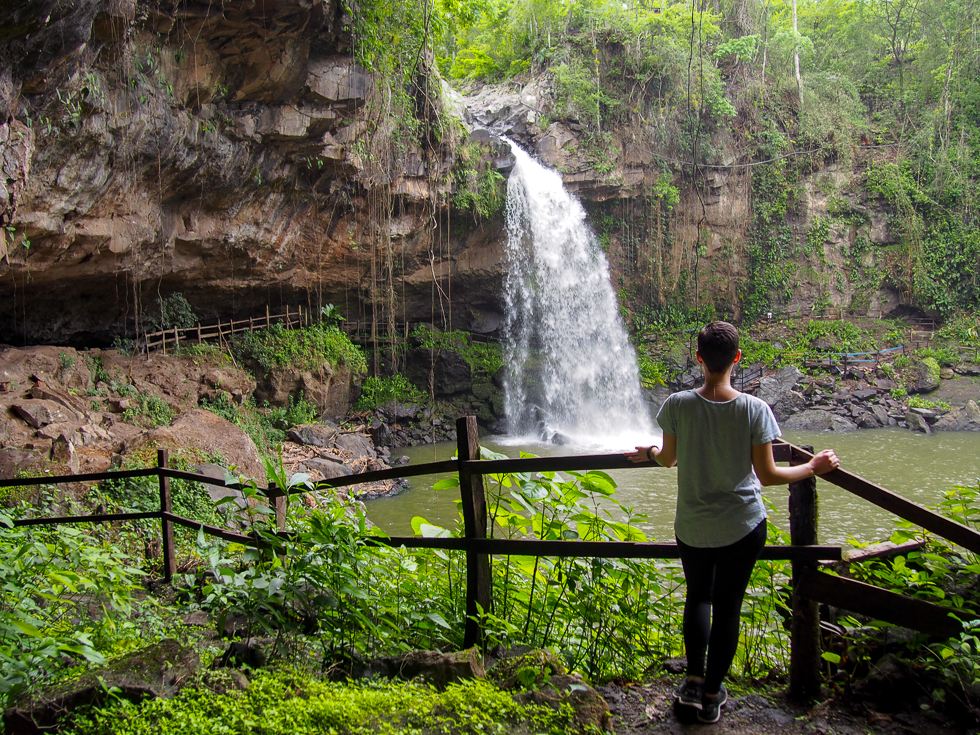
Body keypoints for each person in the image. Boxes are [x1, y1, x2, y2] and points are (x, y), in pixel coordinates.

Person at [625, 321, 839, 724]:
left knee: (698, 598)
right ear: (737, 359)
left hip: (692, 524)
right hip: (742, 526)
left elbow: (668, 459)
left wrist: (650, 451)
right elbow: (770, 475)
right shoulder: (755, 409)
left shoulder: (677, 404)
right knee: (728, 608)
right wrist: (812, 467)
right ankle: (711, 694)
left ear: (698, 357)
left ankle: (691, 683)